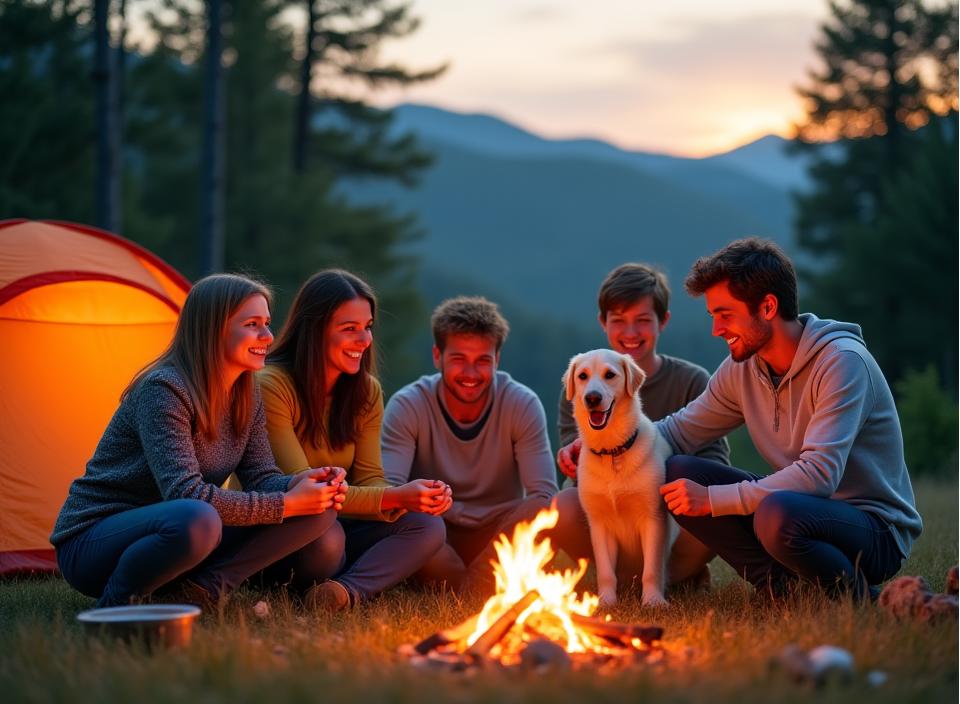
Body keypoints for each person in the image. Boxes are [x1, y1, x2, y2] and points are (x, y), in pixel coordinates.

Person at [559, 238, 921, 601]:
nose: (716, 329)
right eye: (713, 316)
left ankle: (855, 595)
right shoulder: (743, 368)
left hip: (873, 528)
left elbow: (819, 475)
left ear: (767, 307)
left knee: (775, 513)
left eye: (725, 314)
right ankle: (780, 589)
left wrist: (713, 499)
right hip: (797, 509)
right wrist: (603, 444)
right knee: (679, 471)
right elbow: (678, 432)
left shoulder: (842, 362)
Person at [51, 274, 347, 610]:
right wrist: (287, 504)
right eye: (252, 324)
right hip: (96, 540)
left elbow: (261, 476)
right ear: (213, 329)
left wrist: (302, 484)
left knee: (321, 508)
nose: (267, 336)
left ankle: (202, 591)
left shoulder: (246, 392)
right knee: (198, 518)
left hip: (179, 535)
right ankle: (116, 606)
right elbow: (185, 494)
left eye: (266, 323)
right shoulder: (164, 389)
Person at [258, 269, 447, 611]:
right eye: (349, 329)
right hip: (289, 525)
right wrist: (395, 496)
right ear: (315, 330)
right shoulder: (272, 385)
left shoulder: (366, 391)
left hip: (342, 521)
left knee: (428, 526)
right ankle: (320, 574)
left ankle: (344, 591)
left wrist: (412, 499)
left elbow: (370, 477)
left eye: (368, 327)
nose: (364, 340)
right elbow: (303, 490)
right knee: (328, 540)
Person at [549, 263, 728, 590]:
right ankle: (615, 579)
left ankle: (671, 575)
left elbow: (714, 463)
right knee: (563, 506)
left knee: (713, 513)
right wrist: (572, 456)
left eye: (643, 320)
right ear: (603, 322)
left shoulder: (692, 381)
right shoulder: (582, 389)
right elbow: (580, 475)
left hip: (674, 518)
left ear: (663, 321)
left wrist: (662, 473)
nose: (630, 333)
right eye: (618, 320)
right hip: (608, 515)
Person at [381, 296, 558, 592]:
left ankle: (473, 582)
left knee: (545, 508)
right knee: (405, 518)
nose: (471, 373)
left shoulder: (521, 403)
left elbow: (543, 494)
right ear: (437, 356)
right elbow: (389, 489)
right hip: (435, 530)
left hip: (500, 530)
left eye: (483, 361)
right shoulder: (409, 405)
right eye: (459, 359)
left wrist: (487, 563)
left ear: (497, 360)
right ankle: (472, 584)